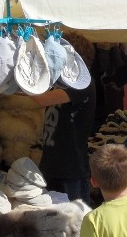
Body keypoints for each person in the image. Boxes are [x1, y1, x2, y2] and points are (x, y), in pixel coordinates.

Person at [32, 32, 96, 205]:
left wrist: (27, 76)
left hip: (71, 169)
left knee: (75, 223)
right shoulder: (61, 84)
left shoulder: (83, 84)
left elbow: (41, 99)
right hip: (51, 165)